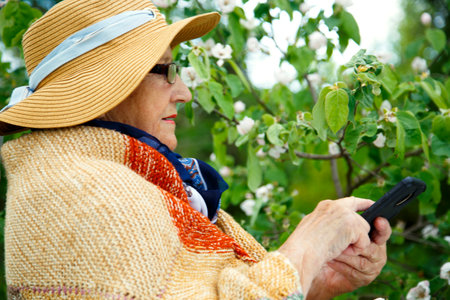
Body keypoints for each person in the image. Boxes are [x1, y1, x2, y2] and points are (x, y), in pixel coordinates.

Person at [0, 0, 391, 299]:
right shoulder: (86, 194)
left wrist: (318, 276)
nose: (184, 92)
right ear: (105, 87)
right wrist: (308, 245)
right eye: (165, 71)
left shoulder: (116, 177)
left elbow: (209, 288)